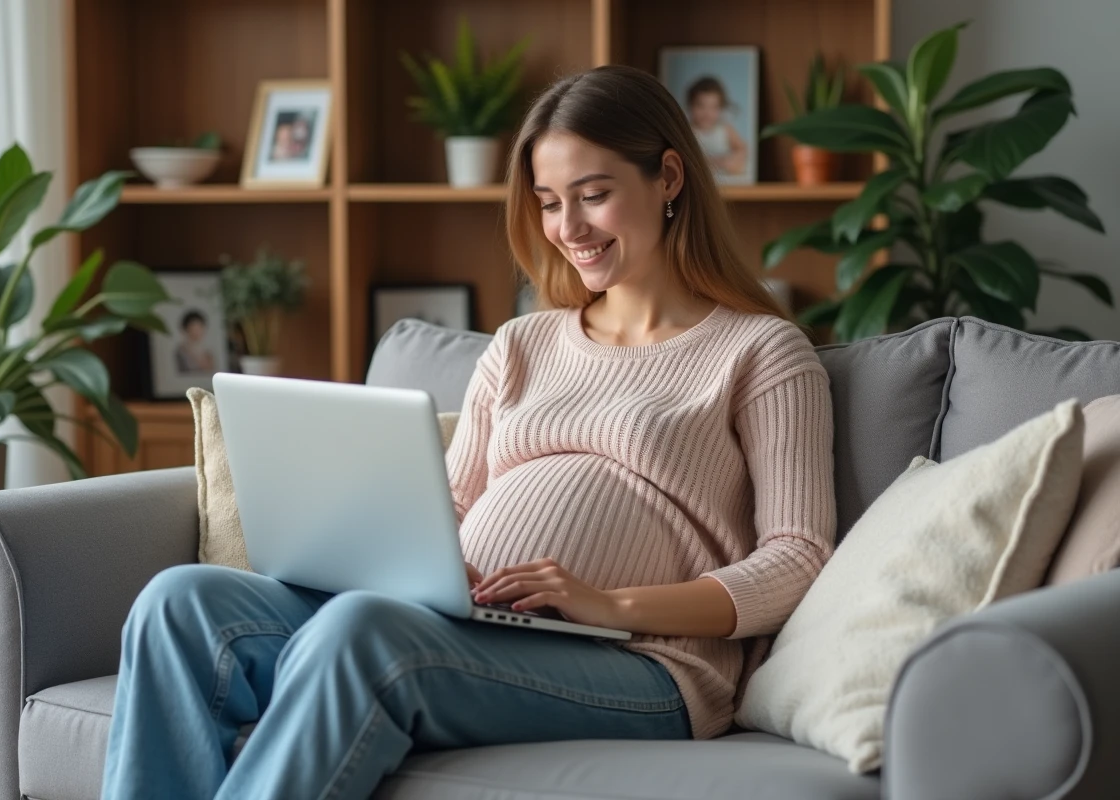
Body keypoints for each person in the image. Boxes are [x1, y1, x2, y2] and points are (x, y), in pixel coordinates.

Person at [101, 64, 837, 799]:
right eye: (550, 203)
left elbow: (799, 557)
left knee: (363, 634)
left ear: (669, 177)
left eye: (594, 195)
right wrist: (413, 560)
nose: (568, 229)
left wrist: (610, 604)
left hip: (644, 662)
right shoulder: (521, 343)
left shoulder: (760, 351)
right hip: (460, 623)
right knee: (180, 603)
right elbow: (452, 505)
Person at [686, 75, 749, 179]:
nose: (707, 113)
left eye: (713, 107)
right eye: (701, 106)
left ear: (721, 108)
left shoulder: (725, 129)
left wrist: (734, 158)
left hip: (724, 179)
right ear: (690, 105)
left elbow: (742, 148)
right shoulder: (689, 131)